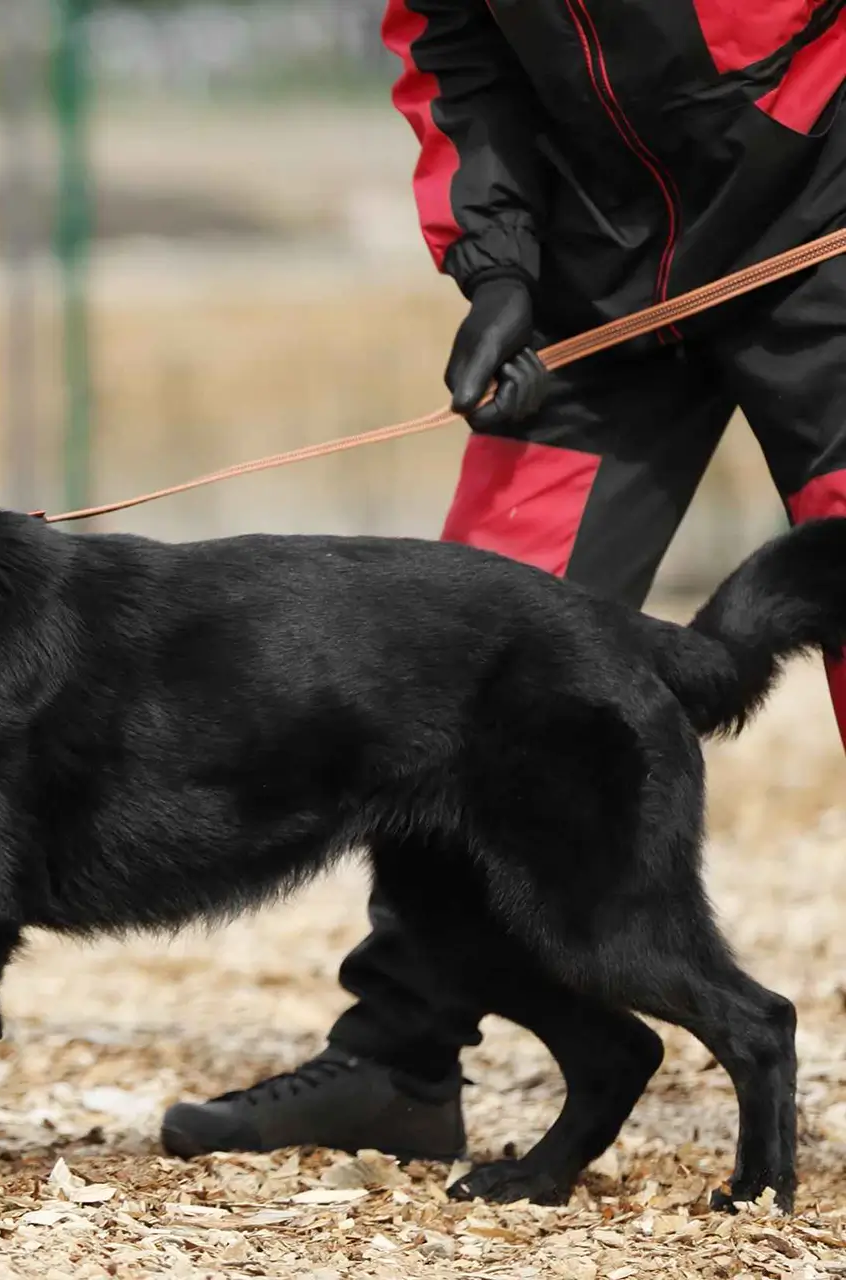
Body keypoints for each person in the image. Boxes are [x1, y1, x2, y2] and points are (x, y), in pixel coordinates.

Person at [161, 0, 846, 1163]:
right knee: (458, 658)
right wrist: (498, 268)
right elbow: (455, 57)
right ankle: (403, 1057)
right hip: (600, 271)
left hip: (821, 218)